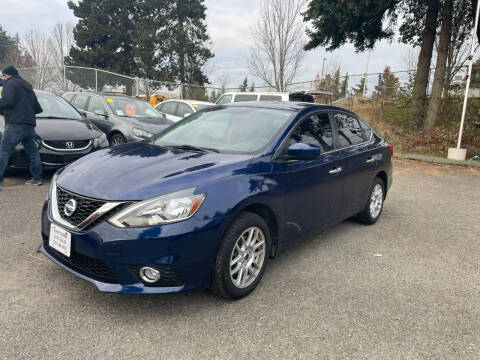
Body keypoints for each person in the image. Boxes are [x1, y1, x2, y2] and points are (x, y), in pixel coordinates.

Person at [0, 66, 43, 191]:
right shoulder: (27, 86)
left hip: (15, 123)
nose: (3, 78)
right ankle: (37, 178)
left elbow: (8, 101)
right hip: (29, 124)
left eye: (3, 76)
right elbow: (36, 106)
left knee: (4, 151)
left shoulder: (9, 84)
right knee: (33, 152)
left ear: (8, 75)